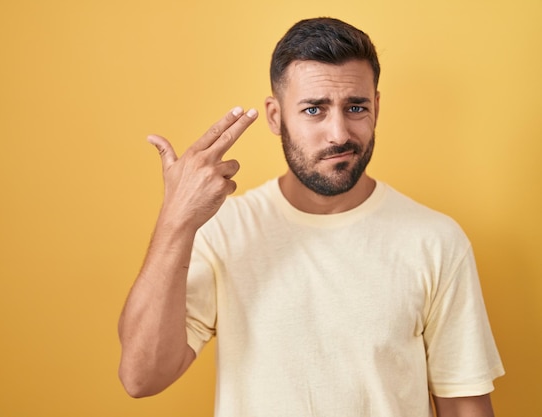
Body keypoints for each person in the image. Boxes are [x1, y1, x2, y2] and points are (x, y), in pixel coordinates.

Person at [118, 17, 504, 417]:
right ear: (274, 116)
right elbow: (141, 376)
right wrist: (176, 220)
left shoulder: (436, 241)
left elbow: (464, 406)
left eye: (356, 107)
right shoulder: (226, 231)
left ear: (377, 107)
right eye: (314, 110)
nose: (338, 133)